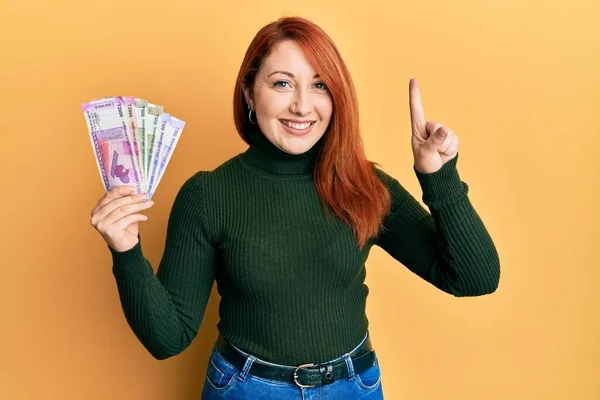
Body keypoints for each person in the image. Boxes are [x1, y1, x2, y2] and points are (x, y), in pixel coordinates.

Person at [89, 16, 500, 400]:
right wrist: (125, 252)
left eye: (319, 85)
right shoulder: (208, 195)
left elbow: (474, 278)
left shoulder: (364, 186)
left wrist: (438, 175)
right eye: (283, 83)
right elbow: (168, 338)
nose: (303, 106)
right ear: (250, 91)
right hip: (246, 388)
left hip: (352, 387)